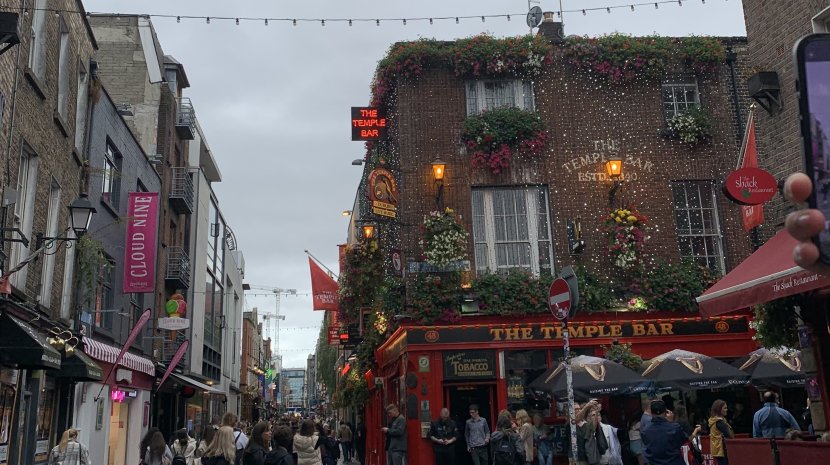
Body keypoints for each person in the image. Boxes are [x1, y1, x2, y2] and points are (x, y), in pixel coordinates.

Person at [642, 401, 701, 465]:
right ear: (665, 412)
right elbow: (686, 439)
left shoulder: (645, 430)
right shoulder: (674, 427)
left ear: (651, 412)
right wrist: (671, 422)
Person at [707, 400, 734, 465]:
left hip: (717, 450)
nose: (726, 410)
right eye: (724, 408)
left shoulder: (713, 420)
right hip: (722, 450)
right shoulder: (720, 422)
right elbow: (729, 435)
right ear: (719, 409)